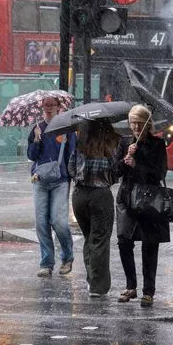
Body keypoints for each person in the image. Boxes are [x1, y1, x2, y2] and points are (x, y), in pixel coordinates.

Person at [114, 104, 169, 307]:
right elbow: (115, 172)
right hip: (127, 197)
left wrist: (138, 163)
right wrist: (124, 159)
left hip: (148, 198)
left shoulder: (157, 144)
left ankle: (148, 291)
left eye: (139, 123)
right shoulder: (124, 142)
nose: (136, 127)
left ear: (147, 124)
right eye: (133, 123)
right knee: (123, 240)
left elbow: (160, 173)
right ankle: (131, 286)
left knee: (149, 243)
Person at [68, 119, 120, 297]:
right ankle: (98, 286)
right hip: (100, 196)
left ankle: (91, 278)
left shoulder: (79, 147)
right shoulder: (108, 148)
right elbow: (115, 173)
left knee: (89, 237)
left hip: (79, 197)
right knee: (99, 240)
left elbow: (71, 169)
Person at [27, 96, 76, 277]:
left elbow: (72, 155)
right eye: (46, 105)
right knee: (41, 223)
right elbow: (32, 156)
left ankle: (67, 256)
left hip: (60, 181)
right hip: (39, 180)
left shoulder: (67, 129)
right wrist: (37, 140)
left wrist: (72, 176)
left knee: (59, 222)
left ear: (58, 107)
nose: (48, 108)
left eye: (52, 105)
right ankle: (46, 262)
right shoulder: (37, 129)